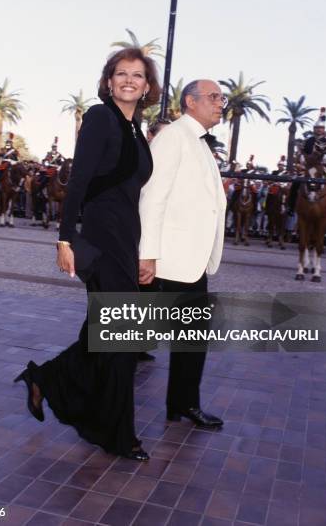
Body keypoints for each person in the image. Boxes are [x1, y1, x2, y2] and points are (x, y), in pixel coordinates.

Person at [14, 48, 160, 460]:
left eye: (137, 75)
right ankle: (119, 434)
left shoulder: (136, 130)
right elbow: (78, 181)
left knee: (103, 334)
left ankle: (44, 378)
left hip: (124, 240)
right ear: (109, 81)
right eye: (121, 74)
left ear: (148, 86)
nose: (129, 80)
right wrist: (64, 239)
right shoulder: (100, 117)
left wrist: (142, 251)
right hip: (98, 240)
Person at [139, 79, 227, 428]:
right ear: (190, 102)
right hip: (168, 260)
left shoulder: (199, 142)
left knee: (192, 337)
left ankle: (183, 404)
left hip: (189, 260)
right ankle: (53, 381)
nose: (221, 103)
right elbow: (153, 197)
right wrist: (147, 254)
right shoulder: (174, 137)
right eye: (213, 97)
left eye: (221, 97)